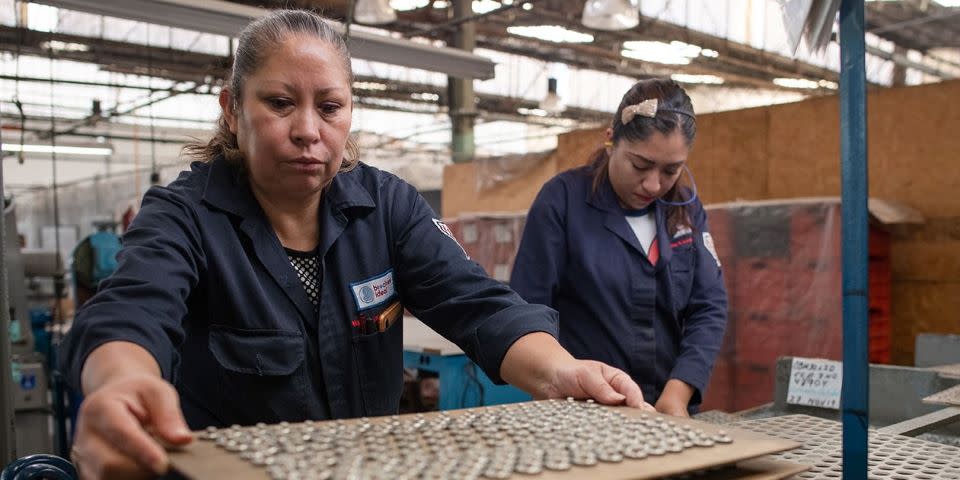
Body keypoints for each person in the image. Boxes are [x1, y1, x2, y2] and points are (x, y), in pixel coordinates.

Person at [59, 10, 654, 480]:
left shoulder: (385, 207)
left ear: (349, 114)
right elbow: (133, 311)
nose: (308, 131)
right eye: (280, 103)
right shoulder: (184, 215)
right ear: (233, 110)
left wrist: (562, 372)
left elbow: (477, 304)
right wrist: (119, 386)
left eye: (330, 106)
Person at [510, 79, 728, 418]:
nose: (654, 184)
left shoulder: (685, 209)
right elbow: (529, 309)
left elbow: (708, 306)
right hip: (585, 411)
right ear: (610, 140)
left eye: (671, 170)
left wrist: (678, 392)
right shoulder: (563, 202)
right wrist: (558, 380)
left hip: (667, 409)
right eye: (640, 166)